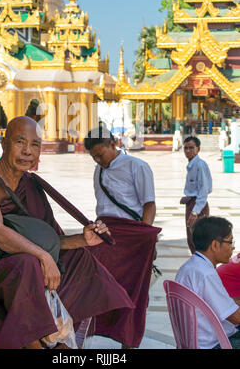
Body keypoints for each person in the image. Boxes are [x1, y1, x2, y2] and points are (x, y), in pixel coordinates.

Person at [0, 116, 134, 349]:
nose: (27, 151)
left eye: (34, 145)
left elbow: (49, 241)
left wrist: (82, 239)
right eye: (20, 142)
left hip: (8, 263)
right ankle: (35, 344)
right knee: (28, 264)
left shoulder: (31, 185)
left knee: (78, 258)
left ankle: (62, 336)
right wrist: (43, 257)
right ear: (4, 143)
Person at [84, 126, 161, 349]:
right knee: (98, 287)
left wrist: (145, 237)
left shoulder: (137, 166)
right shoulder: (98, 170)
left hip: (132, 236)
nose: (98, 160)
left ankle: (128, 342)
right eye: (93, 157)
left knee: (133, 292)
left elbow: (149, 204)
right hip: (105, 235)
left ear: (113, 144)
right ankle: (91, 333)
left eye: (101, 154)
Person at [175, 216, 240, 349]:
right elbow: (236, 317)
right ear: (215, 245)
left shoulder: (189, 267)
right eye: (230, 242)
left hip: (190, 342)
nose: (233, 248)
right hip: (213, 344)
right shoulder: (206, 274)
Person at [181, 136, 212, 254]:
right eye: (186, 148)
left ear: (198, 149)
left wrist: (195, 211)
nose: (188, 151)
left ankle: (202, 266)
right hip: (191, 204)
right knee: (191, 238)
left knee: (198, 241)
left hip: (198, 206)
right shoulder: (191, 165)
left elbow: (204, 190)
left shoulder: (200, 165)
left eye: (191, 148)